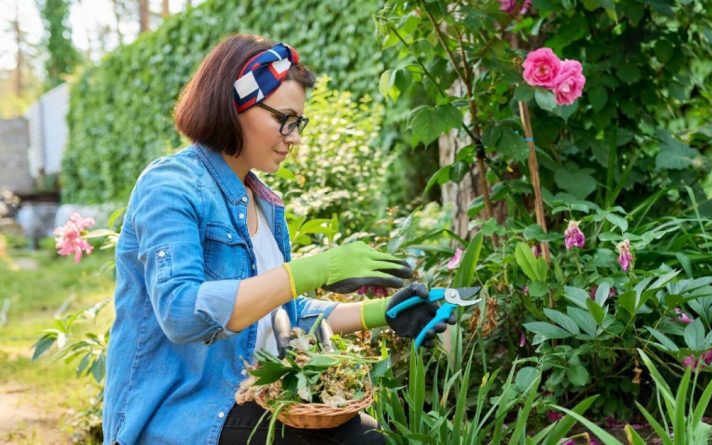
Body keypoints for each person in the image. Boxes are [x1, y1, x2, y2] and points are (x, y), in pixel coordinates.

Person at [102, 34, 454, 445]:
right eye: (284, 119)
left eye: (298, 122)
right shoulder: (170, 187)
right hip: (184, 417)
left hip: (248, 403)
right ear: (236, 106)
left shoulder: (263, 202)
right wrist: (315, 268)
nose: (294, 137)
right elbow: (182, 313)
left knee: (369, 439)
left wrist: (382, 313)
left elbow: (279, 309)